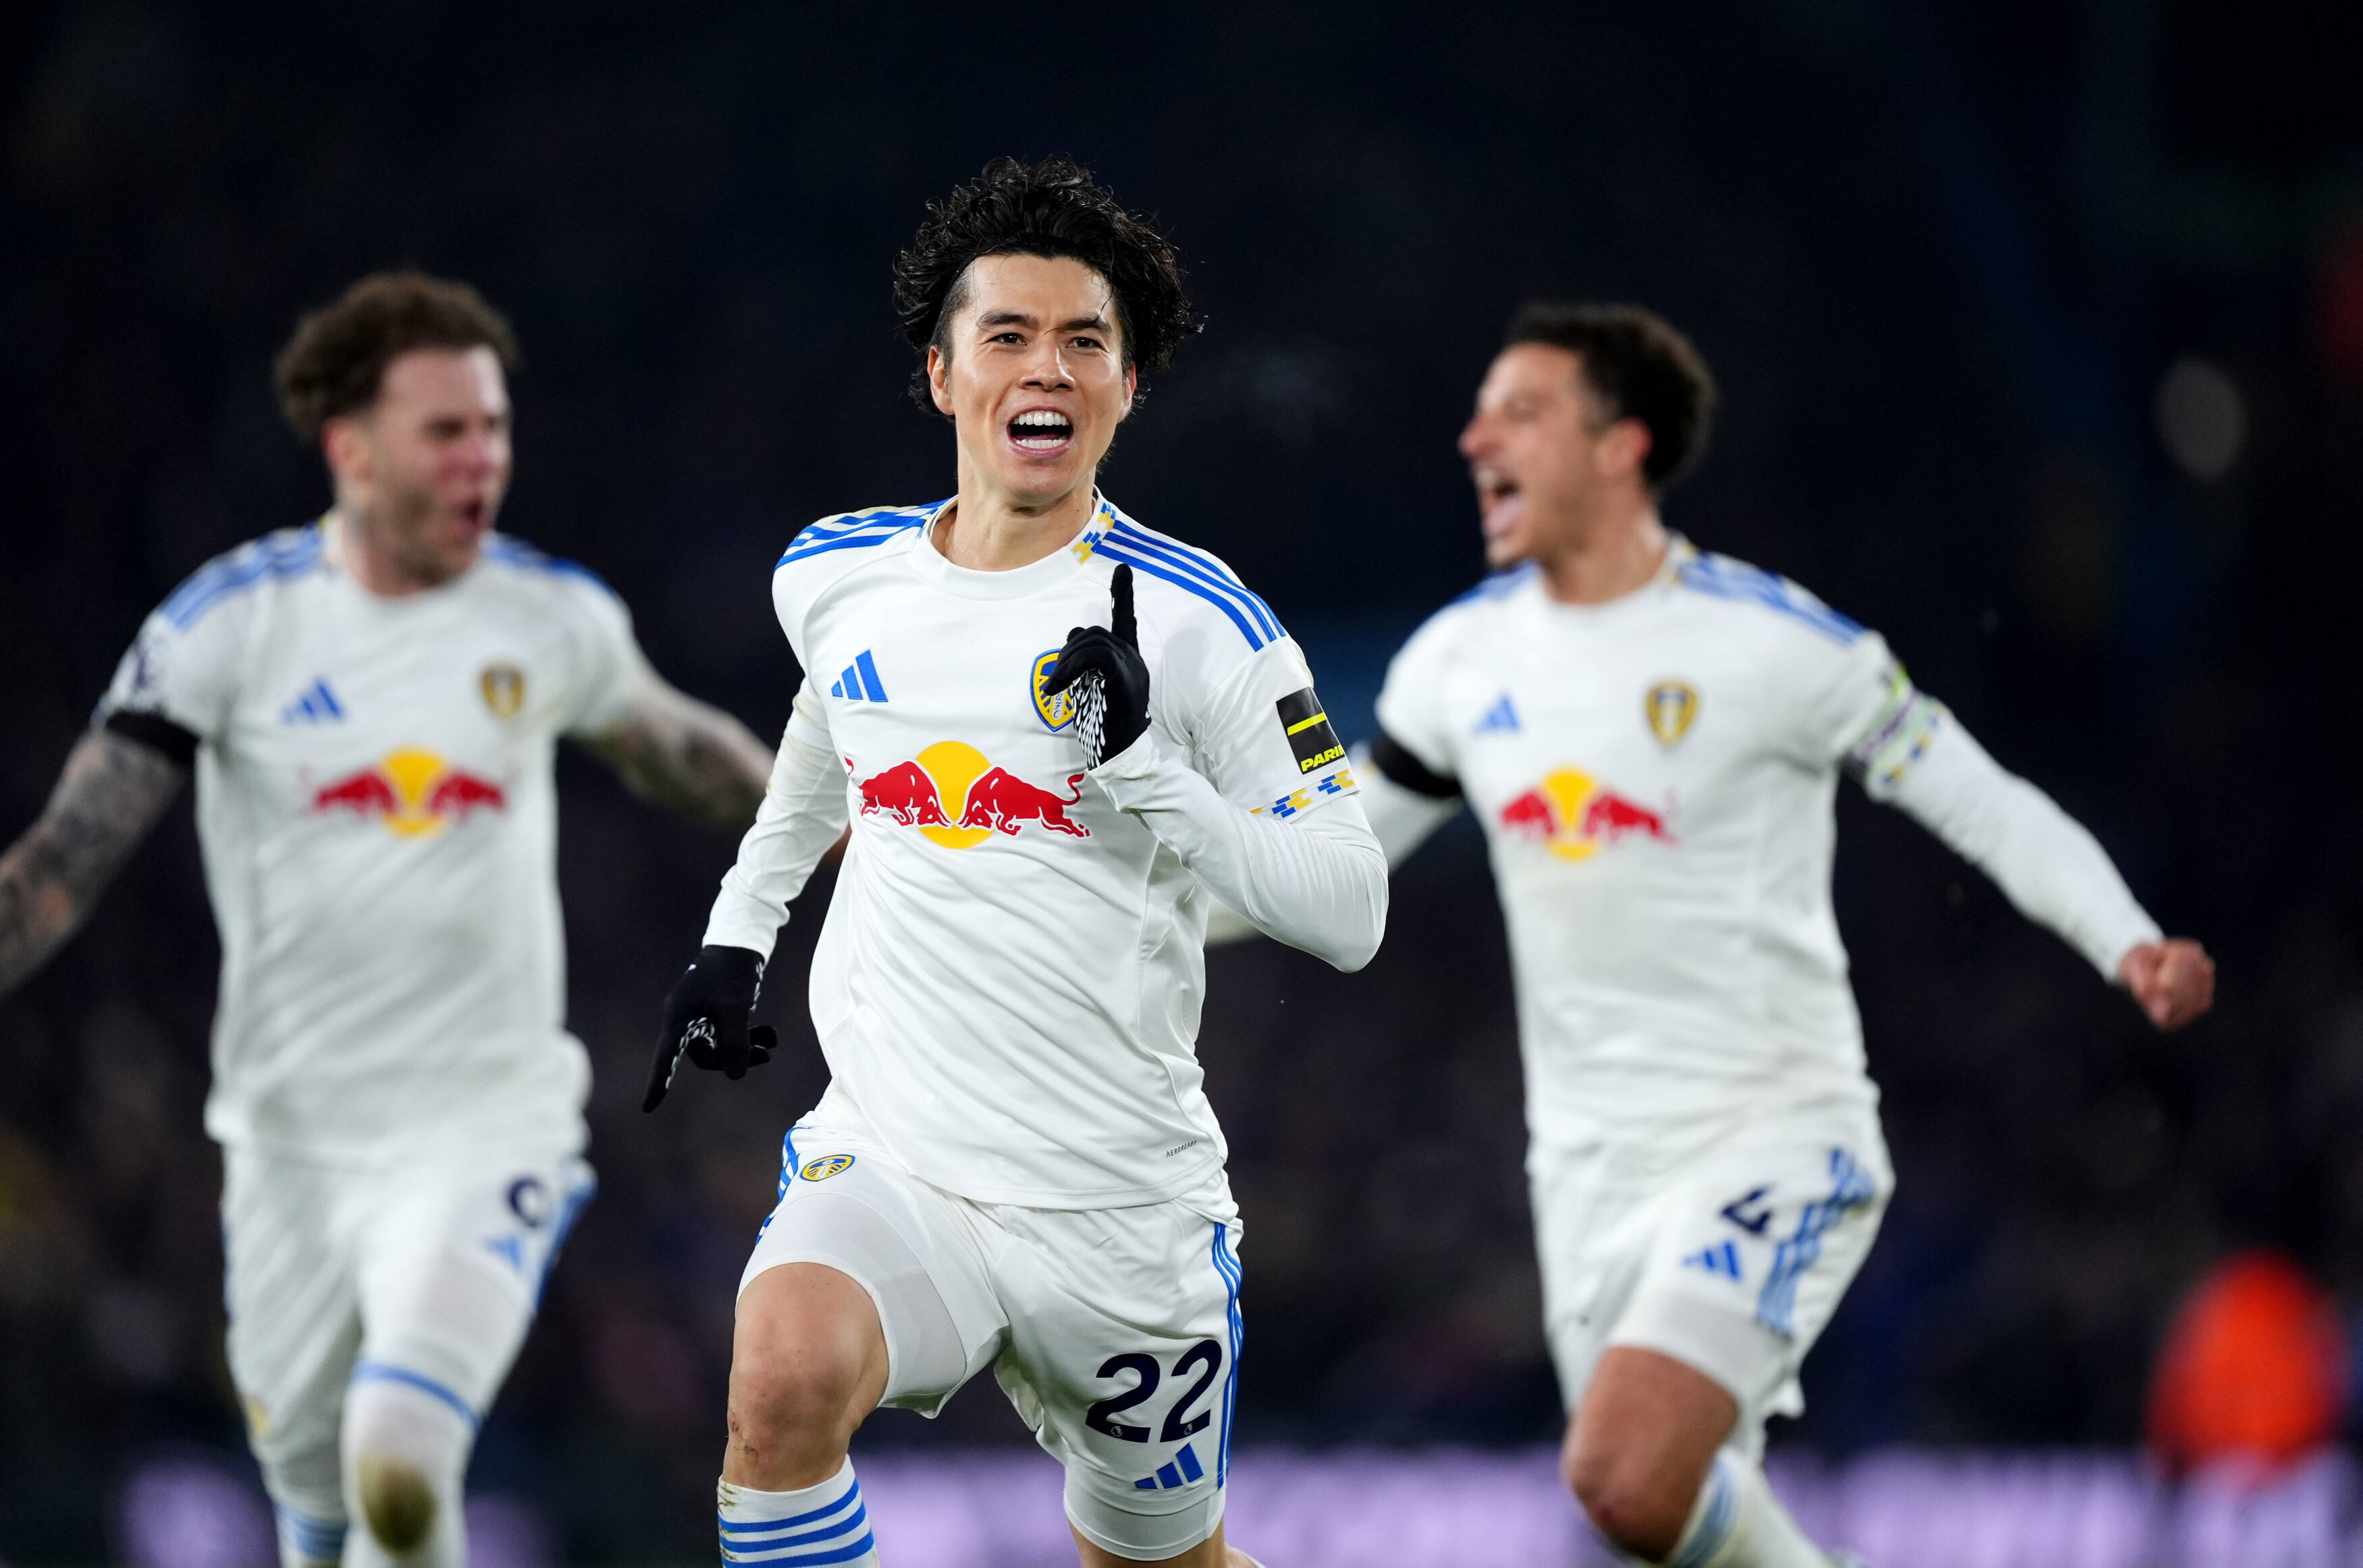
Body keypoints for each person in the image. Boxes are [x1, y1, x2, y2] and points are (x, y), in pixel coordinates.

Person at [1215, 302, 2216, 1567]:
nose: (1476, 440)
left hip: (1767, 1134)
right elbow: (1327, 863)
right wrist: (1109, 899)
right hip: (1586, 1172)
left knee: (1624, 1470)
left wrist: (2127, 936)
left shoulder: (1774, 644)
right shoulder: (1461, 662)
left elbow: (1978, 797)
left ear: (1621, 447)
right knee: (1655, 1514)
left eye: (1519, 413)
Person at [641, 155, 1385, 1568]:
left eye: (1085, 342)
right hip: (900, 1155)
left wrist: (1147, 769)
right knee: (781, 1383)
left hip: (1120, 1212)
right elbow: (831, 729)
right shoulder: (834, 574)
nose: (1047, 367)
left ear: (1126, 388)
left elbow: (1352, 910)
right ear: (942, 375)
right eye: (1009, 335)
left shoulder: (1206, 623)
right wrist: (741, 930)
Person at [0, 272, 777, 1568]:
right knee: (320, 1519)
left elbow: (684, 750)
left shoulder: (547, 616)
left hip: (485, 1122)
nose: (485, 459)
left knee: (400, 1454)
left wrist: (853, 823)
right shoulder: (228, 627)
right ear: (351, 449)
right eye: (446, 431)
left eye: (496, 428)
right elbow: (62, 865)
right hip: (292, 1155)